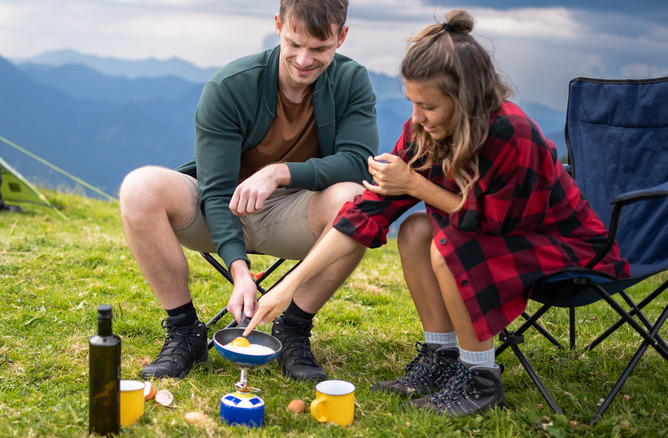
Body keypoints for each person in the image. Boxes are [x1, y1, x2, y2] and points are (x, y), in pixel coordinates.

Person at [244, 9, 631, 416]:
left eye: (427, 106)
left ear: (464, 101)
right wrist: (290, 286)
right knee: (414, 230)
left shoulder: (512, 134)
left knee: (447, 242)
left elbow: (493, 222)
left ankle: (480, 378)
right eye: (412, 103)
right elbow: (365, 212)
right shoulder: (423, 134)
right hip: (487, 241)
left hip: (566, 248)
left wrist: (415, 185)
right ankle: (441, 357)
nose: (416, 119)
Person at [119, 0, 378, 382]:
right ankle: (185, 332)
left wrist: (280, 172)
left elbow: (359, 161)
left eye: (320, 49)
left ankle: (292, 332)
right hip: (220, 208)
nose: (305, 59)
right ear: (278, 25)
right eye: (295, 43)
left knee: (358, 203)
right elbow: (216, 189)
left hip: (296, 214)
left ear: (341, 37)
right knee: (139, 187)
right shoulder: (230, 86)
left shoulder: (351, 80)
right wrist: (240, 272)